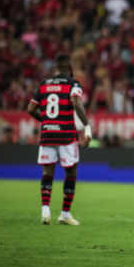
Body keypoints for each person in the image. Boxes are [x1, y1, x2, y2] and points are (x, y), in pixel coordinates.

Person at [27, 54, 92, 226]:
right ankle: (64, 214)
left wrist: (46, 121)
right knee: (71, 172)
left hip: (47, 134)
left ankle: (45, 211)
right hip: (66, 135)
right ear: (70, 67)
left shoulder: (43, 84)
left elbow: (31, 109)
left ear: (56, 68)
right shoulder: (73, 83)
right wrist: (87, 127)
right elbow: (77, 104)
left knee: (47, 172)